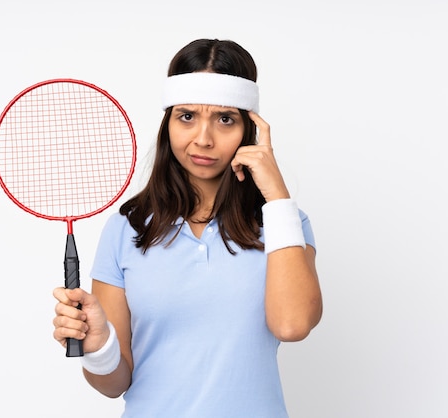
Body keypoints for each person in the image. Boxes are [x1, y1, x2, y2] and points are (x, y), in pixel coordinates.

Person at [52, 38, 322, 417]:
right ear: (169, 123)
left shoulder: (285, 224)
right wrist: (100, 346)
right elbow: (114, 385)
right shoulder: (126, 228)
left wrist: (276, 194)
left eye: (225, 119)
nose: (203, 139)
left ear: (250, 129)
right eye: (187, 116)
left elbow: (292, 325)